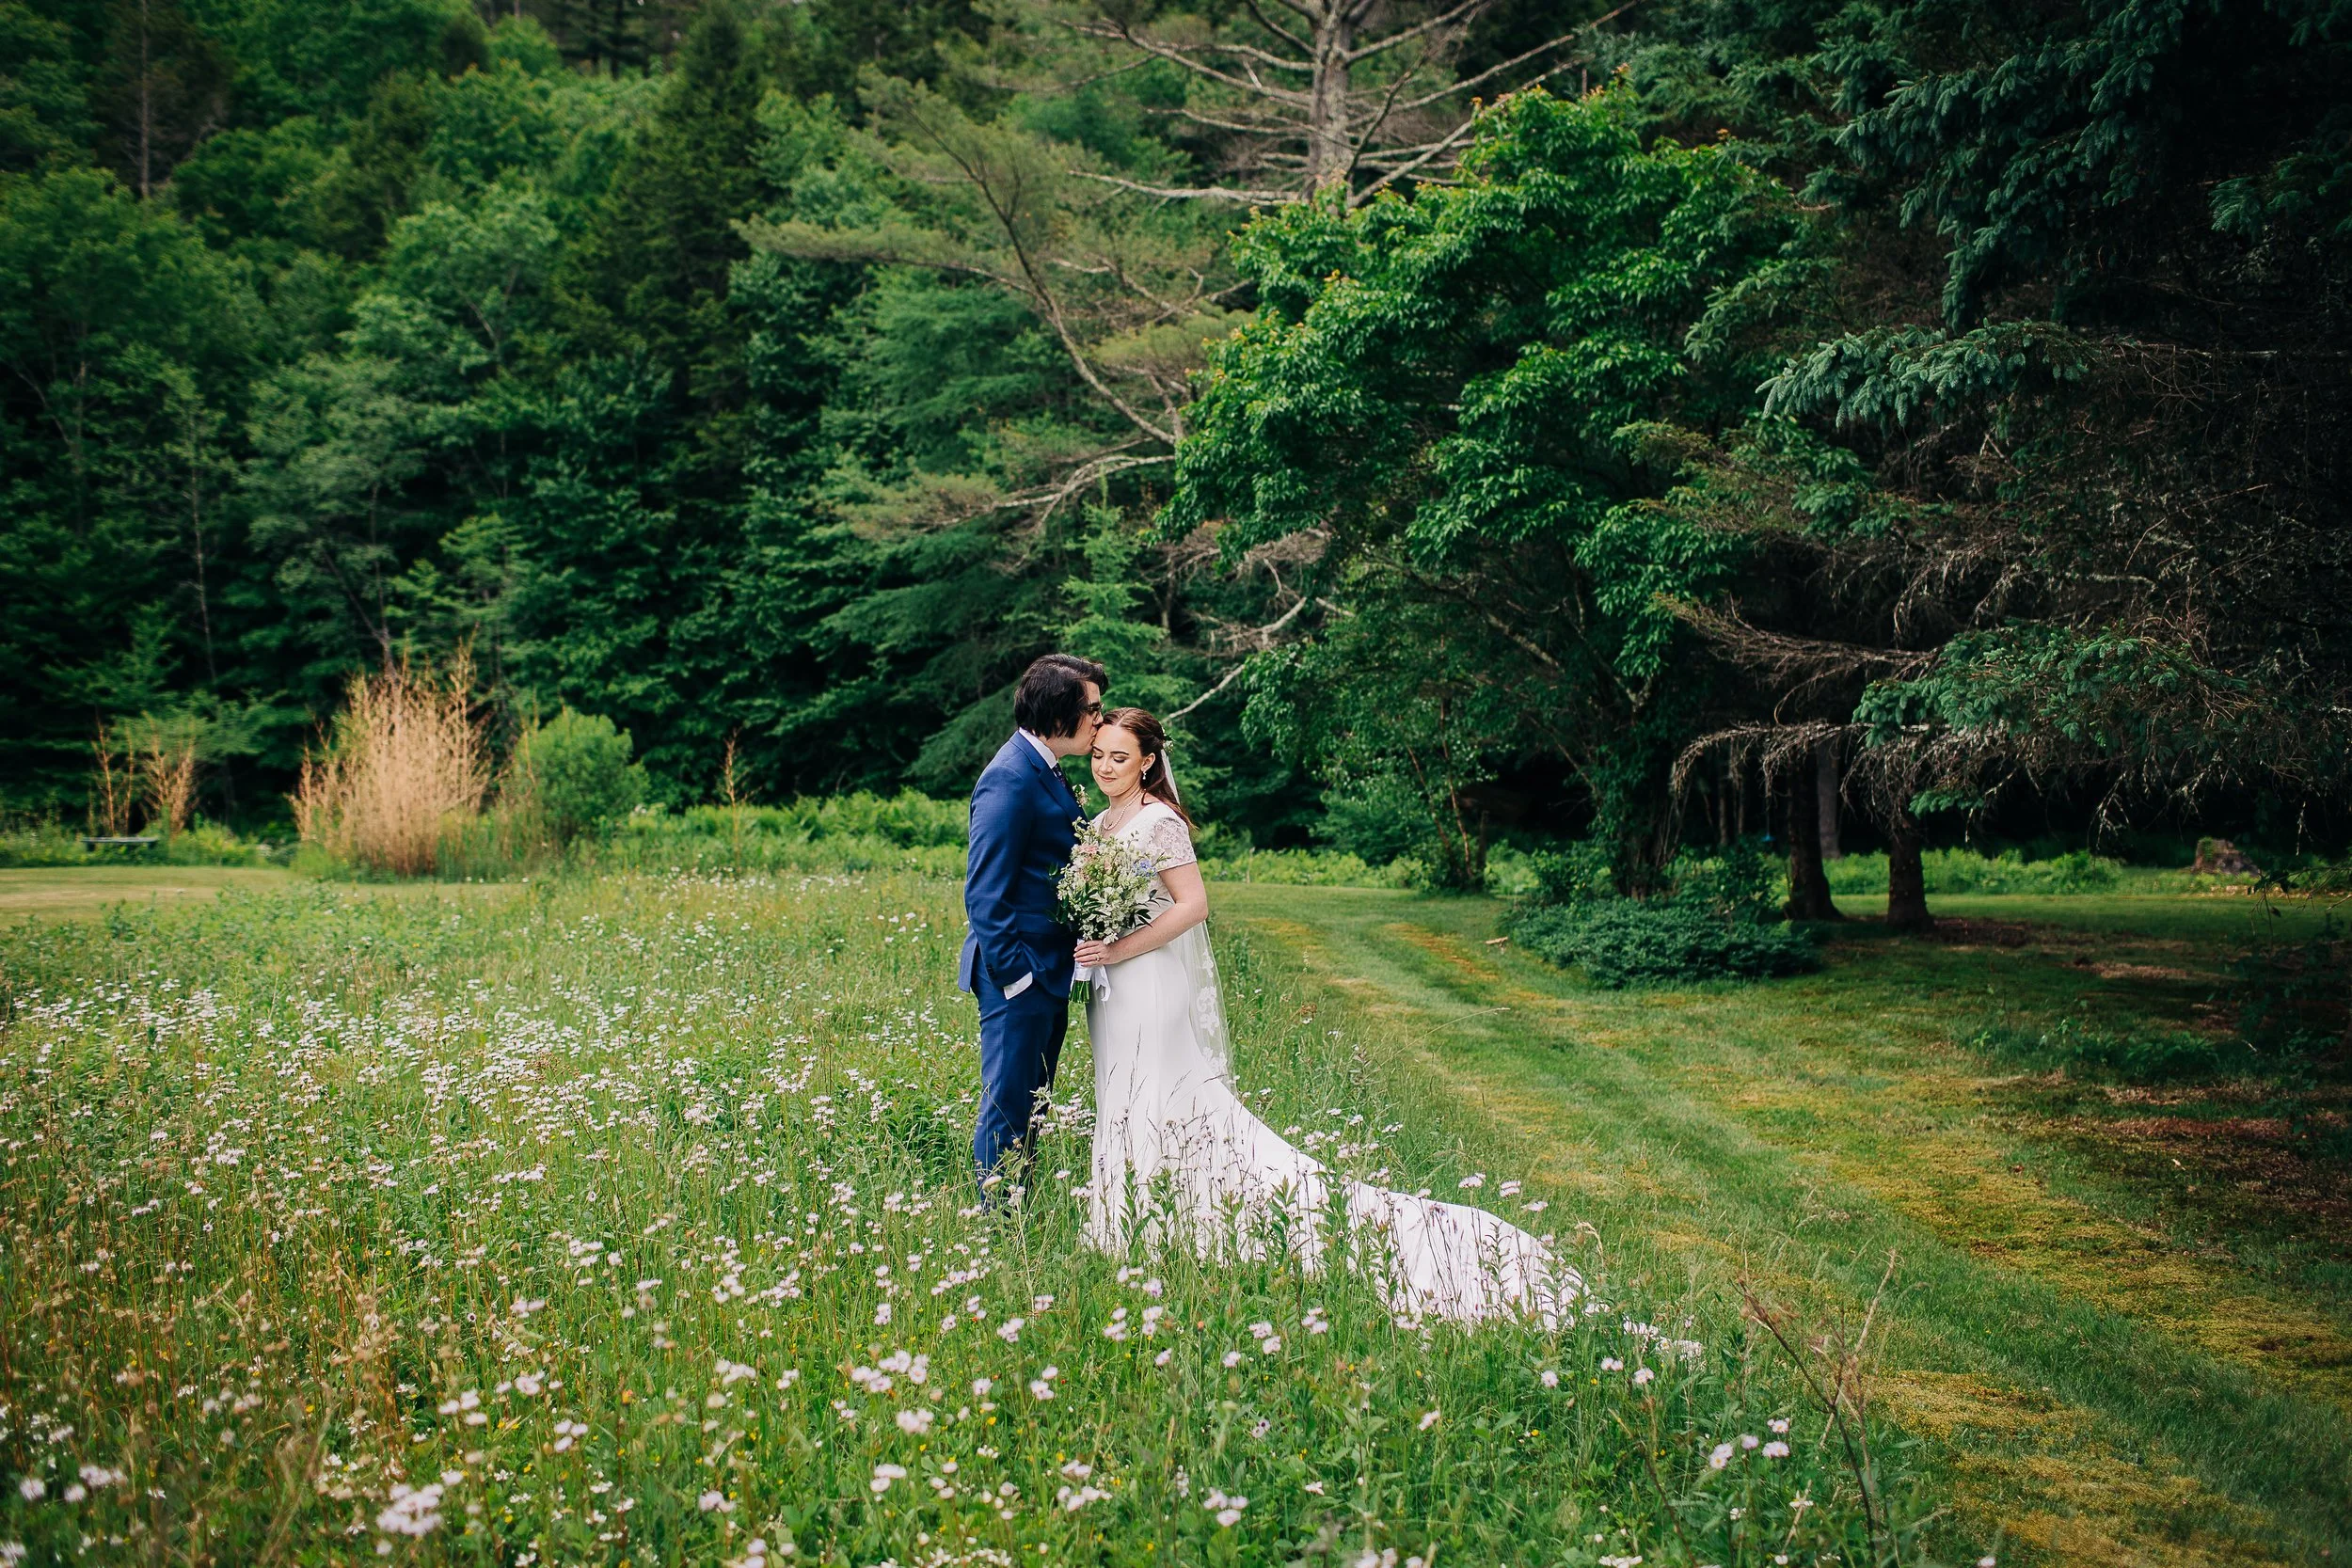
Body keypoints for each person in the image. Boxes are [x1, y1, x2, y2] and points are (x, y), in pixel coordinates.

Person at [1072, 707, 1576, 1324]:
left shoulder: (1159, 821)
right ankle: (1129, 1221)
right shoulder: (1099, 821)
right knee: (1123, 1096)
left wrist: (1120, 945)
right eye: (1098, 754)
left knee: (1162, 1097)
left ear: (1147, 760)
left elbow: (1193, 905)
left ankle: (1161, 1230)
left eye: (1119, 756)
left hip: (1150, 982)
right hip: (1112, 988)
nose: (1105, 766)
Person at [961, 653, 1105, 1195]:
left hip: (1049, 968)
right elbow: (984, 891)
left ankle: (1017, 1206)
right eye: (1092, 708)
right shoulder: (1009, 778)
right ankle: (997, 1228)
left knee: (1034, 1101)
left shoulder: (1046, 768)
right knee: (1008, 1103)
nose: (1099, 719)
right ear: (1058, 710)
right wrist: (1016, 974)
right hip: (1017, 973)